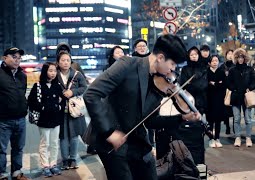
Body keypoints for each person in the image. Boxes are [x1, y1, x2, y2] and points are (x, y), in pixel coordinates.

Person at [83, 34, 201, 180]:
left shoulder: (159, 82)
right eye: (173, 64)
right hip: (111, 139)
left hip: (136, 139)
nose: (173, 70)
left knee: (150, 173)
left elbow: (151, 121)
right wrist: (109, 132)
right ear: (160, 58)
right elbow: (91, 94)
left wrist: (182, 118)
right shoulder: (127, 64)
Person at [27, 62, 63, 177]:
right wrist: (42, 107)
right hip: (43, 119)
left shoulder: (57, 86)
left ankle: (53, 164)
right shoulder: (38, 85)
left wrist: (59, 107)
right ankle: (45, 166)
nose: (53, 73)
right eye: (50, 71)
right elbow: (31, 101)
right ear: (45, 72)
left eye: (54, 71)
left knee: (54, 143)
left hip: (56, 119)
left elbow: (61, 100)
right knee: (45, 143)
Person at [0, 47, 29, 180]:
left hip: (21, 119)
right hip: (3, 120)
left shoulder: (22, 75)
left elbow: (22, 94)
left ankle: (16, 172)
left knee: (18, 148)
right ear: (4, 58)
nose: (17, 60)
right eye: (14, 57)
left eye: (19, 58)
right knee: (1, 149)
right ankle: (2, 173)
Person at [56, 52, 87, 170]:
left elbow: (84, 87)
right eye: (63, 60)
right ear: (58, 62)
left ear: (71, 62)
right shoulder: (55, 74)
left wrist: (72, 92)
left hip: (74, 110)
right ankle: (65, 160)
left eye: (68, 60)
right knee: (63, 136)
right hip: (60, 110)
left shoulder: (77, 74)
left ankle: (73, 158)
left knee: (74, 135)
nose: (65, 62)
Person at [226, 48, 255, 147]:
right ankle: (238, 137)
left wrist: (250, 87)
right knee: (236, 118)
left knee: (248, 119)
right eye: (238, 57)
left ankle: (248, 137)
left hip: (246, 96)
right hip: (236, 96)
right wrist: (234, 89)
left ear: (245, 58)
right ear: (236, 58)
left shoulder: (249, 69)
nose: (240, 59)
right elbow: (228, 82)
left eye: (242, 57)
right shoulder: (232, 70)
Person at [207, 55, 226, 148]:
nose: (215, 62)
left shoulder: (221, 72)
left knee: (218, 120)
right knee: (210, 120)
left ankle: (217, 138)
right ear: (209, 63)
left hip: (219, 99)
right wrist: (218, 83)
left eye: (216, 60)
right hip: (209, 99)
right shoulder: (206, 72)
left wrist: (214, 84)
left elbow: (224, 85)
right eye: (213, 61)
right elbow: (206, 85)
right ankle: (211, 139)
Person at [220, 49, 234, 134]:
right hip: (225, 89)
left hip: (234, 89)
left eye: (232, 54)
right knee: (226, 109)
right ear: (226, 55)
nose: (230, 55)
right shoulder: (222, 66)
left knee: (235, 109)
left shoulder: (235, 65)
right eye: (228, 53)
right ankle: (227, 126)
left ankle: (234, 127)